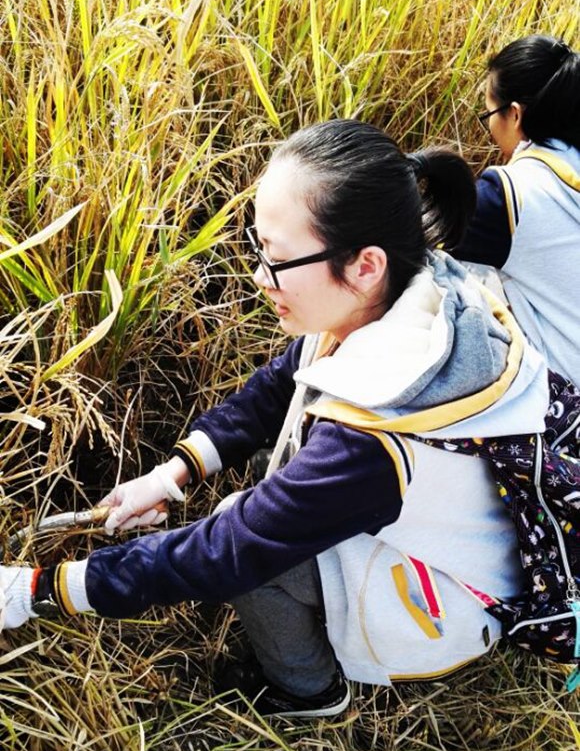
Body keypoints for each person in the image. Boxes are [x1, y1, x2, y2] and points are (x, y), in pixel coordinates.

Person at [0, 120, 550, 719]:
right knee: (272, 473)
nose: (261, 276)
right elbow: (277, 386)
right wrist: (171, 476)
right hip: (455, 532)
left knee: (246, 540)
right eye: (257, 246)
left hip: (449, 597)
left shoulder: (376, 438)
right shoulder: (414, 292)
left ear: (364, 264)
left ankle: (306, 691)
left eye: (279, 259)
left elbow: (228, 551)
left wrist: (40, 590)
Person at [453, 34, 580, 386]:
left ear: (514, 114)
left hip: (568, 409)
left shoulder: (511, 197)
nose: (490, 128)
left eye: (489, 114)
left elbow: (405, 235)